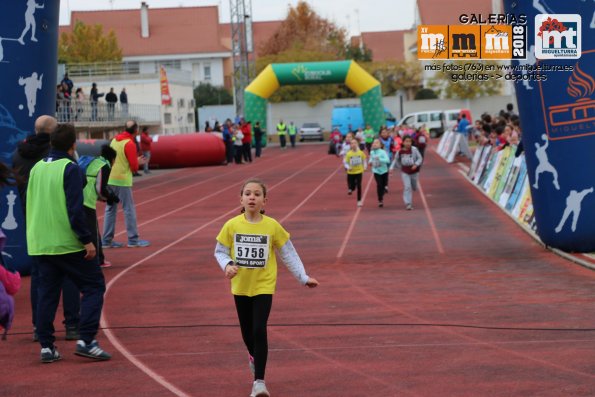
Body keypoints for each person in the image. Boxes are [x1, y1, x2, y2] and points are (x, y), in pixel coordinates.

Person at [214, 178, 319, 397]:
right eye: (248, 193)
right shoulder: (231, 225)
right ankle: (253, 356)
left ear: (265, 201)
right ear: (241, 199)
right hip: (241, 287)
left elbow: (287, 252)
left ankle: (259, 383)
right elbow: (220, 251)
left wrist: (303, 277)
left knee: (259, 329)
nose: (252, 197)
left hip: (264, 286)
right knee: (247, 334)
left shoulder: (272, 226)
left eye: (257, 194)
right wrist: (228, 265)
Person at [26, 123, 111, 363]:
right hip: (67, 242)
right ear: (73, 145)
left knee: (47, 295)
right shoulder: (70, 169)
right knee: (94, 286)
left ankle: (46, 346)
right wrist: (87, 240)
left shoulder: (36, 168)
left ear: (51, 142)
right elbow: (75, 210)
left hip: (40, 242)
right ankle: (86, 340)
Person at [12, 115, 81, 342]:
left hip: (33, 220)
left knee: (40, 280)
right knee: (70, 276)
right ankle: (72, 325)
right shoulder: (56, 158)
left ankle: (38, 327)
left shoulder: (18, 155)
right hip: (60, 222)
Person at [102, 120, 150, 248]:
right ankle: (133, 240)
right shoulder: (129, 144)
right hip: (122, 180)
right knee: (128, 209)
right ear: (136, 131)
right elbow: (134, 167)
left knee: (110, 209)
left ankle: (106, 240)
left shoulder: (114, 141)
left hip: (110, 178)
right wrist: (138, 162)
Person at [80, 145, 119, 269]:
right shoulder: (104, 165)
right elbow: (100, 188)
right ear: (112, 159)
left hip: (77, 197)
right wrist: (110, 198)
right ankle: (97, 260)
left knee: (82, 229)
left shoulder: (94, 161)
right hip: (87, 201)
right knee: (93, 232)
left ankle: (89, 258)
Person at [391, 135, 423, 210]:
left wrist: (416, 164)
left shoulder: (414, 149)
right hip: (405, 171)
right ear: (403, 142)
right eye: (406, 141)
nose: (408, 143)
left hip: (414, 171)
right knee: (407, 187)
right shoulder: (400, 151)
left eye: (409, 141)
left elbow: (420, 158)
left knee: (414, 186)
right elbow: (395, 160)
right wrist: (392, 168)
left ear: (411, 142)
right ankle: (408, 203)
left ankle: (414, 186)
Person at [344, 138, 367, 207]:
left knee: (359, 185)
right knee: (352, 185)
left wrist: (365, 167)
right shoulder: (348, 154)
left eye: (355, 143)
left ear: (357, 144)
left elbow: (364, 160)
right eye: (352, 143)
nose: (353, 145)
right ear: (350, 145)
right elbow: (346, 163)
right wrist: (348, 167)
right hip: (351, 172)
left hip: (359, 171)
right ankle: (351, 188)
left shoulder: (361, 153)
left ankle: (359, 201)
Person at [369, 138, 390, 208]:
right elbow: (370, 159)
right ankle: (380, 200)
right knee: (379, 184)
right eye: (374, 143)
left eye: (377, 143)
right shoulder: (372, 152)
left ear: (380, 145)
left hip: (384, 171)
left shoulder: (383, 152)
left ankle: (385, 188)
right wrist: (370, 162)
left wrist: (379, 159)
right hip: (376, 171)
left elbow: (387, 160)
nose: (375, 144)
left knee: (383, 185)